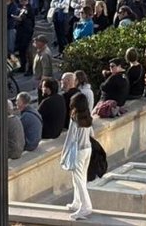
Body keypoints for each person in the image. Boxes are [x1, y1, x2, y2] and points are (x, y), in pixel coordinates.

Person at [61, 92, 94, 220]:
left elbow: (70, 138)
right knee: (81, 178)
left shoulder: (75, 118)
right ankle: (77, 202)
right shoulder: (87, 117)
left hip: (78, 152)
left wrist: (64, 155)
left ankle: (85, 206)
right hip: (87, 149)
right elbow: (92, 133)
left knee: (78, 180)